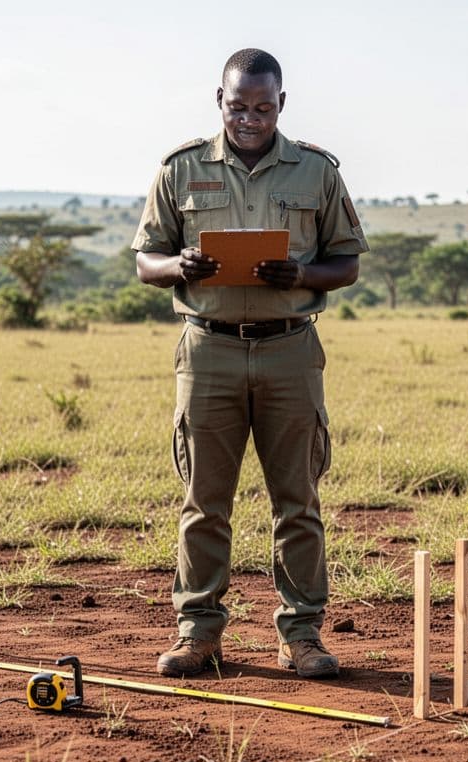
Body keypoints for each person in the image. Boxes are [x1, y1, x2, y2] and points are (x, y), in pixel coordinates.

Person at [132, 48, 368, 679]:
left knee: (299, 500)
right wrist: (178, 266)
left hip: (291, 348)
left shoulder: (316, 172)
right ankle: (198, 633)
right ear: (220, 100)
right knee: (204, 500)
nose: (250, 118)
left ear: (281, 105)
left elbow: (347, 262)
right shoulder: (179, 169)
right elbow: (144, 262)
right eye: (239, 106)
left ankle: (302, 635)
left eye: (263, 108)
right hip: (207, 350)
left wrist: (302, 273)